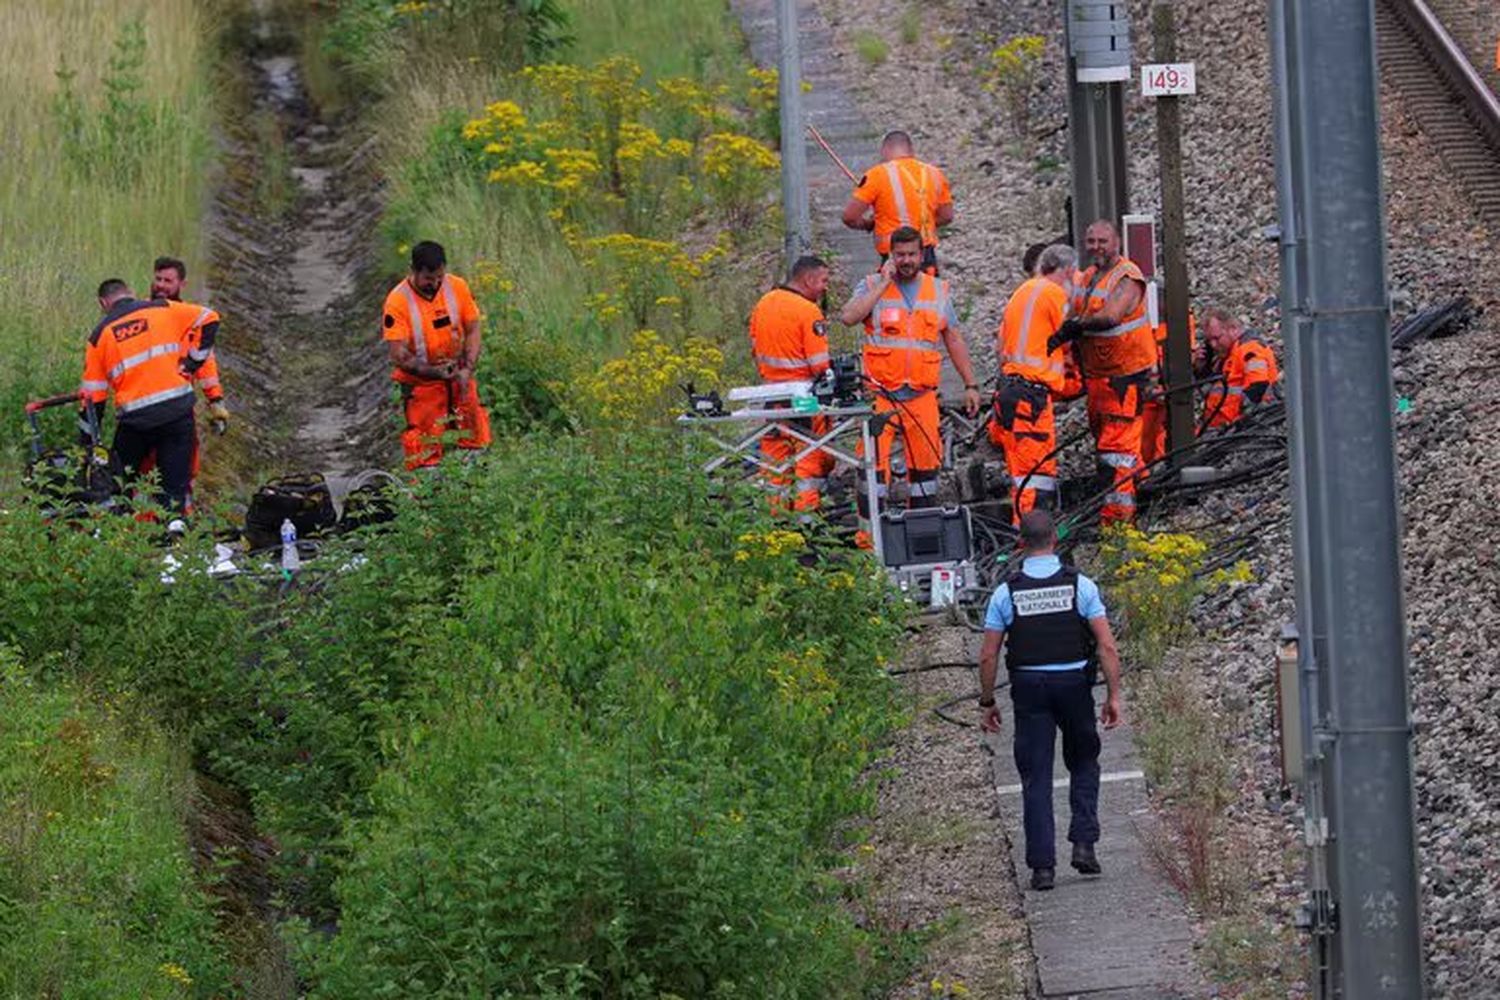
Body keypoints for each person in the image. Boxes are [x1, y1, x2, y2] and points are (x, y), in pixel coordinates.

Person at [978, 510, 1123, 891]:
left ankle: (1043, 868)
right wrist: (1113, 696)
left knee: (1036, 776)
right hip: (1074, 685)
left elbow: (989, 654)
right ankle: (1084, 845)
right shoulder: (1082, 586)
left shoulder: (1005, 592)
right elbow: (1106, 646)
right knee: (1084, 762)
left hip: (1029, 689)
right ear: (1055, 540)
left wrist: (987, 701)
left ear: (1021, 543)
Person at [840, 226, 981, 546]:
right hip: (881, 396)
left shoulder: (937, 290)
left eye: (911, 254)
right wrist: (883, 283)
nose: (906, 260)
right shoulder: (872, 285)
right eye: (900, 255)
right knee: (872, 474)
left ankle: (921, 539)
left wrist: (970, 383)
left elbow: (953, 338)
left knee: (925, 475)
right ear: (890, 255)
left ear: (922, 255)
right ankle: (869, 544)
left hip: (921, 396)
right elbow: (849, 317)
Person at [80, 279, 220, 511]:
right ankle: (175, 533)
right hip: (177, 412)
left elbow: (93, 399)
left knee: (120, 482)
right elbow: (209, 317)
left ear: (103, 303)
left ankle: (117, 530)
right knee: (174, 488)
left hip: (136, 420)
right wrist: (193, 362)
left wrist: (86, 445)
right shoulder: (162, 308)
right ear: (132, 293)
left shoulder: (99, 336)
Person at [1051, 220, 1156, 524]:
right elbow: (1069, 310)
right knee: (1110, 448)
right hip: (1100, 378)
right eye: (1091, 241)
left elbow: (1110, 316)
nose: (1096, 247)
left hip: (1125, 378)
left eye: (1102, 241)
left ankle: (1118, 521)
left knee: (1116, 451)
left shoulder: (1128, 277)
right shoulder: (1089, 277)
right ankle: (1141, 492)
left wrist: (1076, 327)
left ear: (1117, 243)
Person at [382, 241, 492, 469]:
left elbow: (473, 330)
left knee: (475, 436)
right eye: (429, 279)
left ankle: (475, 486)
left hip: (459, 376)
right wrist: (433, 372)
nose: (435, 284)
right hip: (421, 386)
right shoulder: (397, 301)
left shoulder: (457, 287)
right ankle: (428, 497)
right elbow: (398, 354)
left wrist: (466, 369)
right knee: (424, 448)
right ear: (413, 270)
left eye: (439, 277)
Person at [988, 244, 1076, 519]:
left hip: (1010, 392)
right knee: (1036, 479)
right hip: (1031, 399)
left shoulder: (1022, 292)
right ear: (1068, 271)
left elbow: (1001, 346)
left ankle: (1023, 540)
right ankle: (1033, 546)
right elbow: (1069, 336)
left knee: (1021, 478)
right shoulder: (1054, 294)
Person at [136, 257, 230, 508]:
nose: (161, 285)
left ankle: (179, 523)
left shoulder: (191, 318)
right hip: (142, 406)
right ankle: (142, 528)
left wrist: (215, 399)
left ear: (182, 284)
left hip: (177, 406)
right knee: (143, 472)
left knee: (183, 469)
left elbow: (206, 362)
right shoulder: (139, 314)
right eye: (158, 279)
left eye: (168, 281)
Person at [748, 255, 835, 514]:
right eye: (823, 280)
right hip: (804, 398)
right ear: (808, 280)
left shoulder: (763, 304)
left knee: (775, 459)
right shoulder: (808, 311)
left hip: (771, 396)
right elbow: (820, 365)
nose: (825, 287)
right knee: (810, 457)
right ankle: (807, 522)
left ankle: (775, 520)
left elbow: (755, 349)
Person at [841, 130, 954, 274]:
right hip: (926, 258)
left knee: (892, 296)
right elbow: (947, 216)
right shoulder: (935, 174)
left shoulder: (877, 174)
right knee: (928, 295)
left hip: (895, 259)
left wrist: (869, 224)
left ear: (884, 150)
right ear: (911, 150)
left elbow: (849, 217)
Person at [1196, 308, 1280, 429]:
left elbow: (1258, 387)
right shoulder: (1225, 356)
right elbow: (1207, 390)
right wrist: (1201, 368)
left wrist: (1238, 426)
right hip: (1218, 431)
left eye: (1216, 338)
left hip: (1237, 433)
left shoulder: (1250, 350)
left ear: (1233, 329)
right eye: (1209, 340)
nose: (1213, 345)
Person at [1140, 306, 1196, 466]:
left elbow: (1186, 357)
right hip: (1150, 393)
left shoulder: (1180, 320)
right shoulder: (1145, 320)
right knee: (1144, 441)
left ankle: (1157, 470)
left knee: (1163, 436)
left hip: (1166, 392)